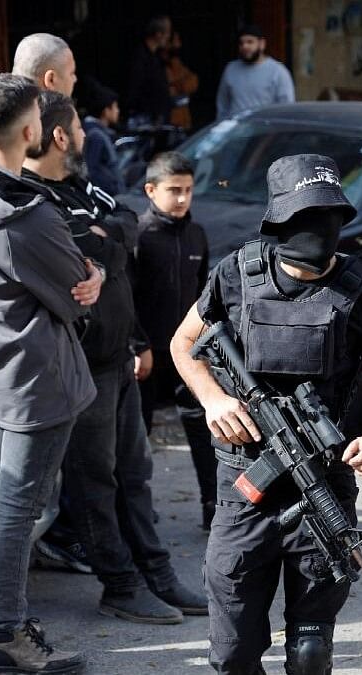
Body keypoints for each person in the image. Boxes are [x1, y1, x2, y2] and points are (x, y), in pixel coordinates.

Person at [170, 154, 362, 673]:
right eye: (306, 218)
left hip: (326, 484)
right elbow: (184, 344)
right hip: (244, 485)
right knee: (232, 655)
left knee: (311, 656)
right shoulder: (236, 275)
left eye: (329, 218)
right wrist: (214, 399)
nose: (320, 231)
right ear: (280, 220)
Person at [21, 91, 208, 626]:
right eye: (78, 128)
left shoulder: (81, 187)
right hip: (80, 368)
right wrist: (102, 244)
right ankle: (120, 585)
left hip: (118, 359)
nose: (87, 135)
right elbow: (72, 251)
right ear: (60, 137)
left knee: (136, 474)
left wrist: (102, 248)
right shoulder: (33, 198)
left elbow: (127, 221)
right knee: (95, 483)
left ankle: (157, 574)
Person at [0, 72, 102, 674]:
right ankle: (4, 635)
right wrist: (94, 275)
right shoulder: (27, 216)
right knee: (16, 512)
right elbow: (75, 293)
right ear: (31, 130)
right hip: (35, 386)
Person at [134, 152, 216, 530]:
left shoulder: (197, 234)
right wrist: (138, 345)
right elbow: (127, 297)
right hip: (148, 355)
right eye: (173, 191)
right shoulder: (140, 235)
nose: (182, 199)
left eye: (188, 191)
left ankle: (214, 507)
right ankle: (136, 511)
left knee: (203, 431)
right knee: (137, 437)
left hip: (189, 355)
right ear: (151, 190)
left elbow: (203, 298)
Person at [216, 24, 295, 120]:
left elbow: (286, 108)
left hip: (264, 132)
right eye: (241, 43)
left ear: (262, 44)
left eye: (250, 42)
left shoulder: (278, 72)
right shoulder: (230, 69)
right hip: (235, 132)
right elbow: (222, 104)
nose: (245, 46)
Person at [125, 15, 173, 126]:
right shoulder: (140, 59)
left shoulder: (156, 57)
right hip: (147, 120)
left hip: (158, 118)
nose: (169, 37)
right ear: (158, 34)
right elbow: (135, 89)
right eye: (167, 33)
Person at [81, 80, 124, 195]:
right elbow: (92, 170)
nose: (117, 111)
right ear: (106, 111)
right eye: (115, 107)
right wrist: (112, 187)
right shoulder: (96, 135)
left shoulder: (92, 131)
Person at [163, 32, 199, 130]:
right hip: (168, 121)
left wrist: (177, 85)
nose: (179, 44)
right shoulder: (159, 63)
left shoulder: (177, 62)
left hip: (182, 121)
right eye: (176, 40)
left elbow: (193, 82)